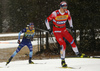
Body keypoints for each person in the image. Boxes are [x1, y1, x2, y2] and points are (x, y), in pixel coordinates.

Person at [45, 1, 87, 67]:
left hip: (63, 29)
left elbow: (70, 18)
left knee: (71, 40)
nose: (65, 9)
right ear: (60, 7)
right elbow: (46, 20)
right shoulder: (55, 13)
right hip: (56, 30)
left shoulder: (67, 12)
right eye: (63, 7)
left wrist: (71, 26)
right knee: (63, 44)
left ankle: (77, 53)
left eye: (66, 7)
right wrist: (49, 29)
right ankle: (63, 61)